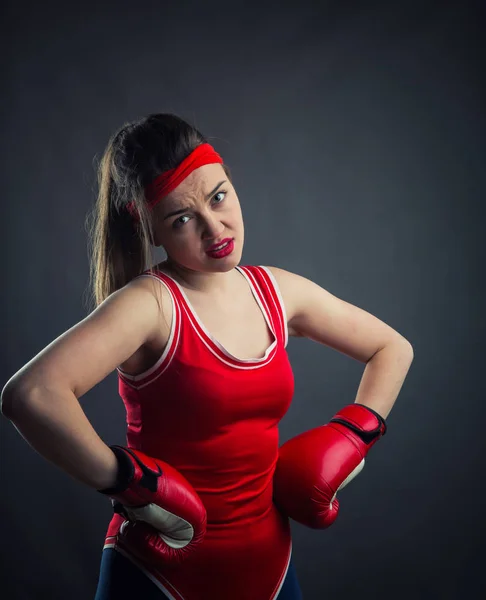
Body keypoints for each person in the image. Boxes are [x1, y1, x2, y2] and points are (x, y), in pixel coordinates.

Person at [1, 113, 414, 599]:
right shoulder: (150, 305)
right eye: (182, 219)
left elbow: (392, 347)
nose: (214, 227)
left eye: (219, 197)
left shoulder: (277, 292)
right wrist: (126, 481)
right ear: (151, 230)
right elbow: (30, 395)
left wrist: (354, 432)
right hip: (159, 574)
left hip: (270, 569)